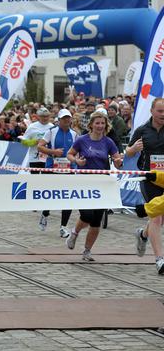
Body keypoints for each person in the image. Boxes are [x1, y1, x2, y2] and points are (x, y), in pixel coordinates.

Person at [65, 111, 123, 261]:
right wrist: (77, 161)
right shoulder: (82, 140)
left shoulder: (108, 142)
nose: (100, 126)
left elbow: (117, 158)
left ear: (106, 125)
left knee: (96, 220)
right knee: (87, 215)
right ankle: (75, 232)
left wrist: (118, 161)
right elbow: (69, 154)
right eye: (97, 123)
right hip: (84, 183)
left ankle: (87, 250)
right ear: (91, 125)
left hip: (102, 184)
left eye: (102, 123)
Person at [126, 98, 164, 274]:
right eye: (160, 111)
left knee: (159, 219)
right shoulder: (142, 130)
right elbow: (128, 151)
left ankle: (143, 234)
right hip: (149, 178)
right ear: (152, 111)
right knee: (156, 217)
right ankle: (160, 260)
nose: (163, 114)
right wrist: (133, 149)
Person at [37, 109, 77, 238]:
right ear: (59, 120)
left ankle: (63, 227)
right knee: (51, 196)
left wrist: (77, 159)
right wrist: (53, 152)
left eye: (68, 118)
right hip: (52, 168)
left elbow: (78, 150)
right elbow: (40, 146)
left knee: (68, 198)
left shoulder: (74, 134)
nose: (66, 120)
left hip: (69, 169)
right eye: (64, 118)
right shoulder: (51, 132)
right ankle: (45, 213)